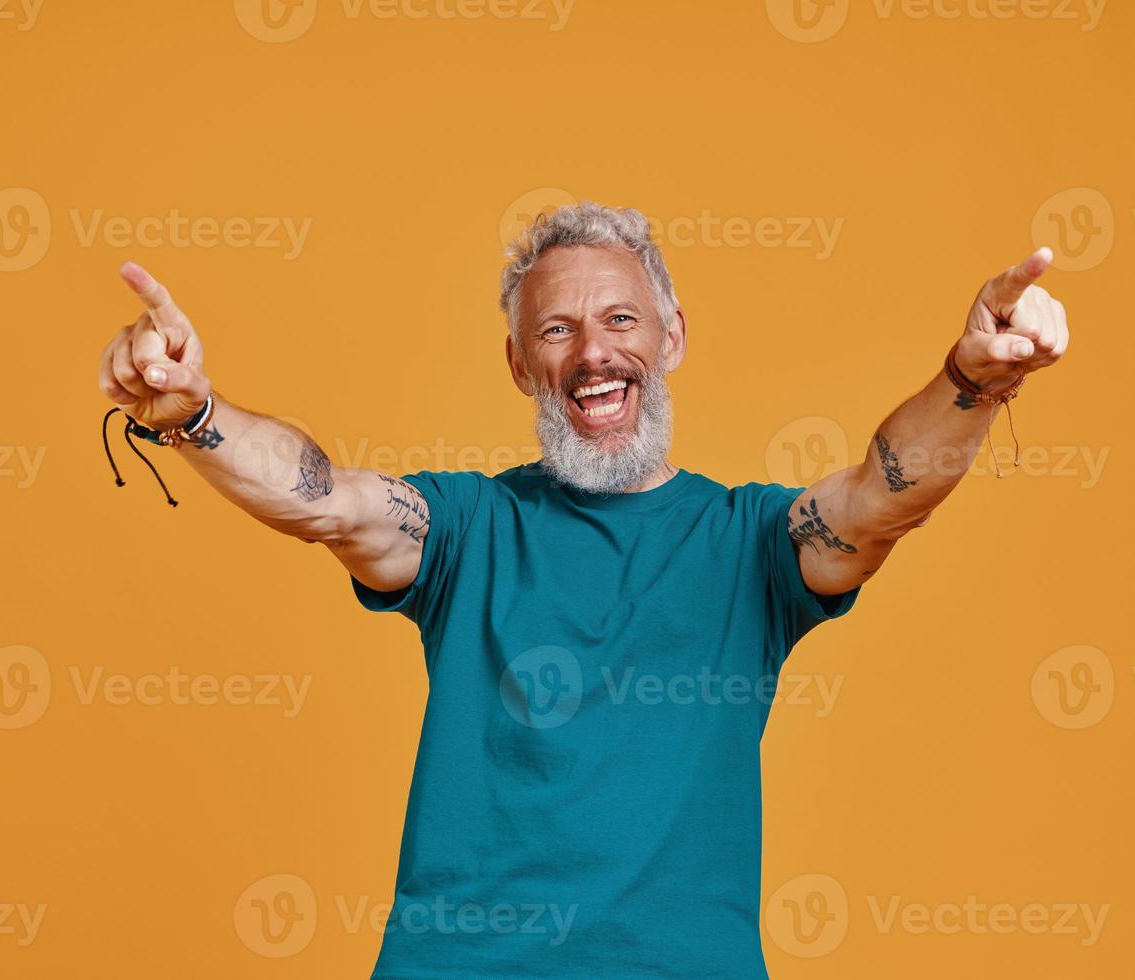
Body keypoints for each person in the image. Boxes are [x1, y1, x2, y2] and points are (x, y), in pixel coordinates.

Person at [96, 201, 1070, 978]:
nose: (593, 353)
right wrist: (198, 415)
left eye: (619, 319)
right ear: (521, 364)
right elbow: (327, 501)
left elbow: (879, 498)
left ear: (673, 336)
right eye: (557, 329)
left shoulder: (750, 545)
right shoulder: (468, 531)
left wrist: (972, 381)